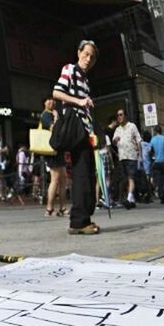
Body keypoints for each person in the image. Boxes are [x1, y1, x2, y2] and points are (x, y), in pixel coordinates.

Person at [53, 40, 99, 234]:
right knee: (81, 175)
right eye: (86, 54)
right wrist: (80, 101)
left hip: (86, 132)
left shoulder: (85, 80)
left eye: (92, 56)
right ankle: (77, 223)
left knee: (88, 174)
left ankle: (85, 218)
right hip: (76, 130)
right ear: (78, 52)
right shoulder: (69, 69)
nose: (88, 59)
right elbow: (56, 92)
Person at [40, 98, 68, 217]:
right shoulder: (46, 115)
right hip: (52, 151)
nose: (52, 103)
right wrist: (56, 118)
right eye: (48, 101)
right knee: (55, 179)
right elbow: (53, 129)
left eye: (53, 101)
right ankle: (49, 209)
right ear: (44, 103)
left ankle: (62, 207)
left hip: (58, 150)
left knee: (63, 180)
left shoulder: (52, 114)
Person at [112, 108, 141, 209]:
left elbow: (138, 140)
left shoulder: (132, 126)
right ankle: (132, 200)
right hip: (122, 157)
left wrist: (140, 155)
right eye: (118, 115)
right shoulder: (117, 129)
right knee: (127, 179)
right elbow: (114, 143)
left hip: (132, 156)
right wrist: (115, 140)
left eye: (121, 115)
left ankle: (129, 198)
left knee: (131, 177)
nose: (119, 117)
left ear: (125, 116)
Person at [150, 126, 164, 203]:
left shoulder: (152, 139)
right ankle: (163, 193)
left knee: (159, 180)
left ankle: (161, 194)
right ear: (161, 131)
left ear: (154, 131)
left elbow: (150, 150)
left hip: (156, 162)